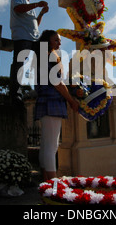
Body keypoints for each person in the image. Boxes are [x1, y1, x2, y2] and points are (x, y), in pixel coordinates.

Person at [34, 30, 79, 181]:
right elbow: (57, 83)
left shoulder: (41, 57)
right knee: (52, 146)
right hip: (52, 101)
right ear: (48, 41)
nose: (59, 43)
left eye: (59, 41)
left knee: (46, 143)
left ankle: (45, 179)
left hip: (45, 101)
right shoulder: (47, 57)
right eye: (56, 40)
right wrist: (71, 101)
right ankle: (53, 184)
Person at [9, 0, 49, 103]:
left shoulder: (31, 6)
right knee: (20, 63)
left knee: (43, 61)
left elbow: (35, 23)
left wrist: (41, 13)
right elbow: (18, 9)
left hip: (34, 38)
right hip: (22, 36)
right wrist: (37, 4)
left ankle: (43, 90)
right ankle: (15, 93)